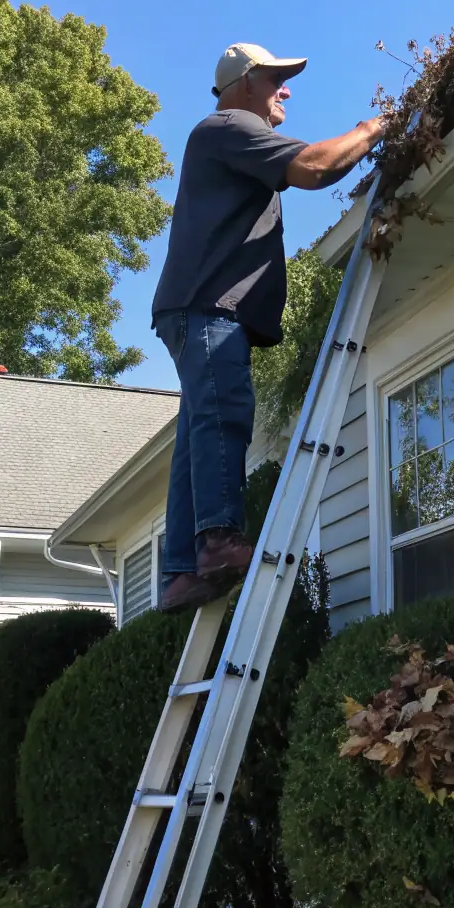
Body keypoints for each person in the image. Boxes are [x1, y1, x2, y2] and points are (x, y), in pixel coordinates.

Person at [151, 43, 387, 613]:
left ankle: (182, 568)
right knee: (223, 412)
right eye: (277, 79)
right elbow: (313, 167)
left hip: (190, 309)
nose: (285, 90)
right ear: (247, 80)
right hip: (209, 309)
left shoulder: (224, 138)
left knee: (196, 433)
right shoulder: (227, 126)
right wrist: (376, 126)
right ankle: (219, 542)